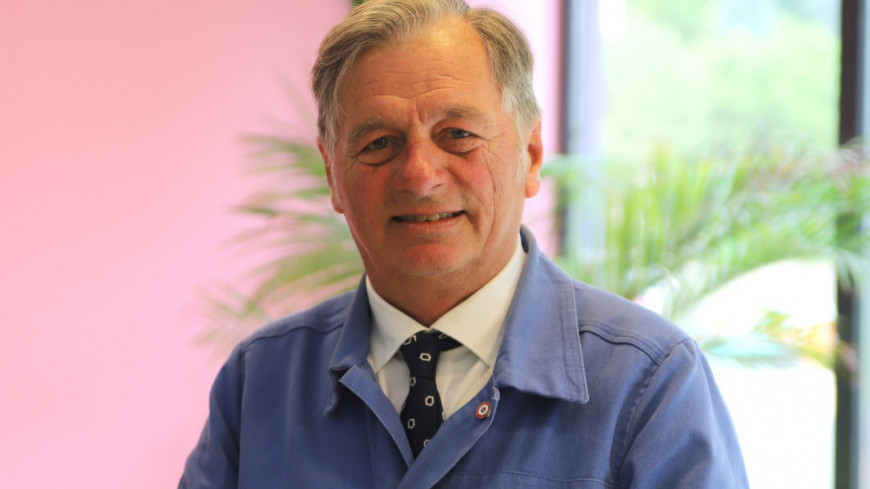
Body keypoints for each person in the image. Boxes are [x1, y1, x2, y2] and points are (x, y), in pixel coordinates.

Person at [179, 0, 749, 487]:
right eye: (379, 143)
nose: (419, 175)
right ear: (333, 174)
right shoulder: (259, 381)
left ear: (530, 156)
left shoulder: (647, 383)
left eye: (457, 135)